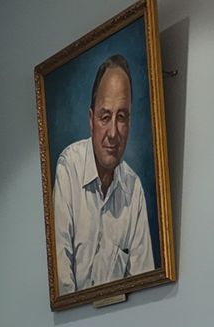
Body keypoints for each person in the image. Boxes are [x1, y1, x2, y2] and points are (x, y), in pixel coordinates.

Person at [53, 54, 156, 295]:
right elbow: (61, 284)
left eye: (121, 117)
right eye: (105, 117)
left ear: (129, 122)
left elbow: (144, 287)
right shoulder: (69, 168)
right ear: (91, 120)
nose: (113, 133)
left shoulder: (134, 188)